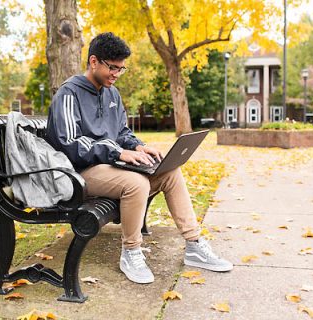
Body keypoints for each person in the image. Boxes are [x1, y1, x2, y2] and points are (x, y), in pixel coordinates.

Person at [46, 32, 233, 284]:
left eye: (121, 69)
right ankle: (131, 251)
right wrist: (116, 152)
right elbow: (71, 143)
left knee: (169, 171)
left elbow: (122, 132)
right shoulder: (69, 94)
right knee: (137, 184)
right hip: (80, 173)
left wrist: (139, 147)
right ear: (93, 61)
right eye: (112, 67)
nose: (116, 74)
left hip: (109, 166)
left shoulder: (112, 93)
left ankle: (194, 244)